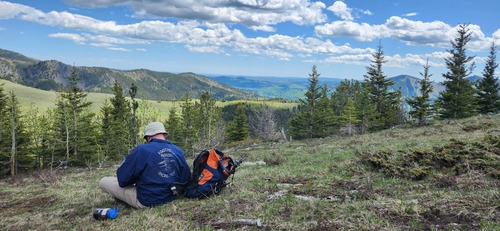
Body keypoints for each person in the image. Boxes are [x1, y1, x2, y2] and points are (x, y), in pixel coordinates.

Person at [99, 122, 191, 208]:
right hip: (170, 197)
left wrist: (129, 158)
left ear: (148, 137)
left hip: (147, 200)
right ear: (164, 135)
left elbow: (122, 180)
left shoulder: (141, 150)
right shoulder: (177, 150)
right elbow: (185, 178)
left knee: (104, 181)